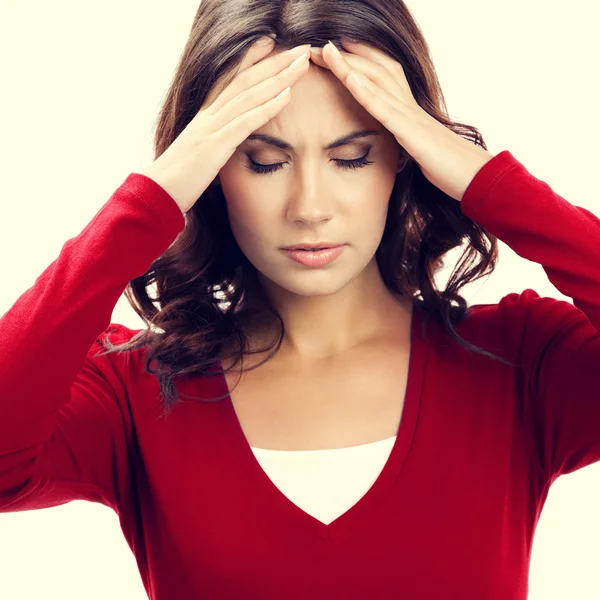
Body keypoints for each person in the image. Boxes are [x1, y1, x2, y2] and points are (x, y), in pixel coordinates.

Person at [1, 1, 599, 598]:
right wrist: (152, 199)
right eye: (262, 161)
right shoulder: (135, 388)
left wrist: (488, 182)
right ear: (209, 170)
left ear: (407, 156)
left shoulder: (522, 361)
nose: (310, 207)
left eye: (351, 157)